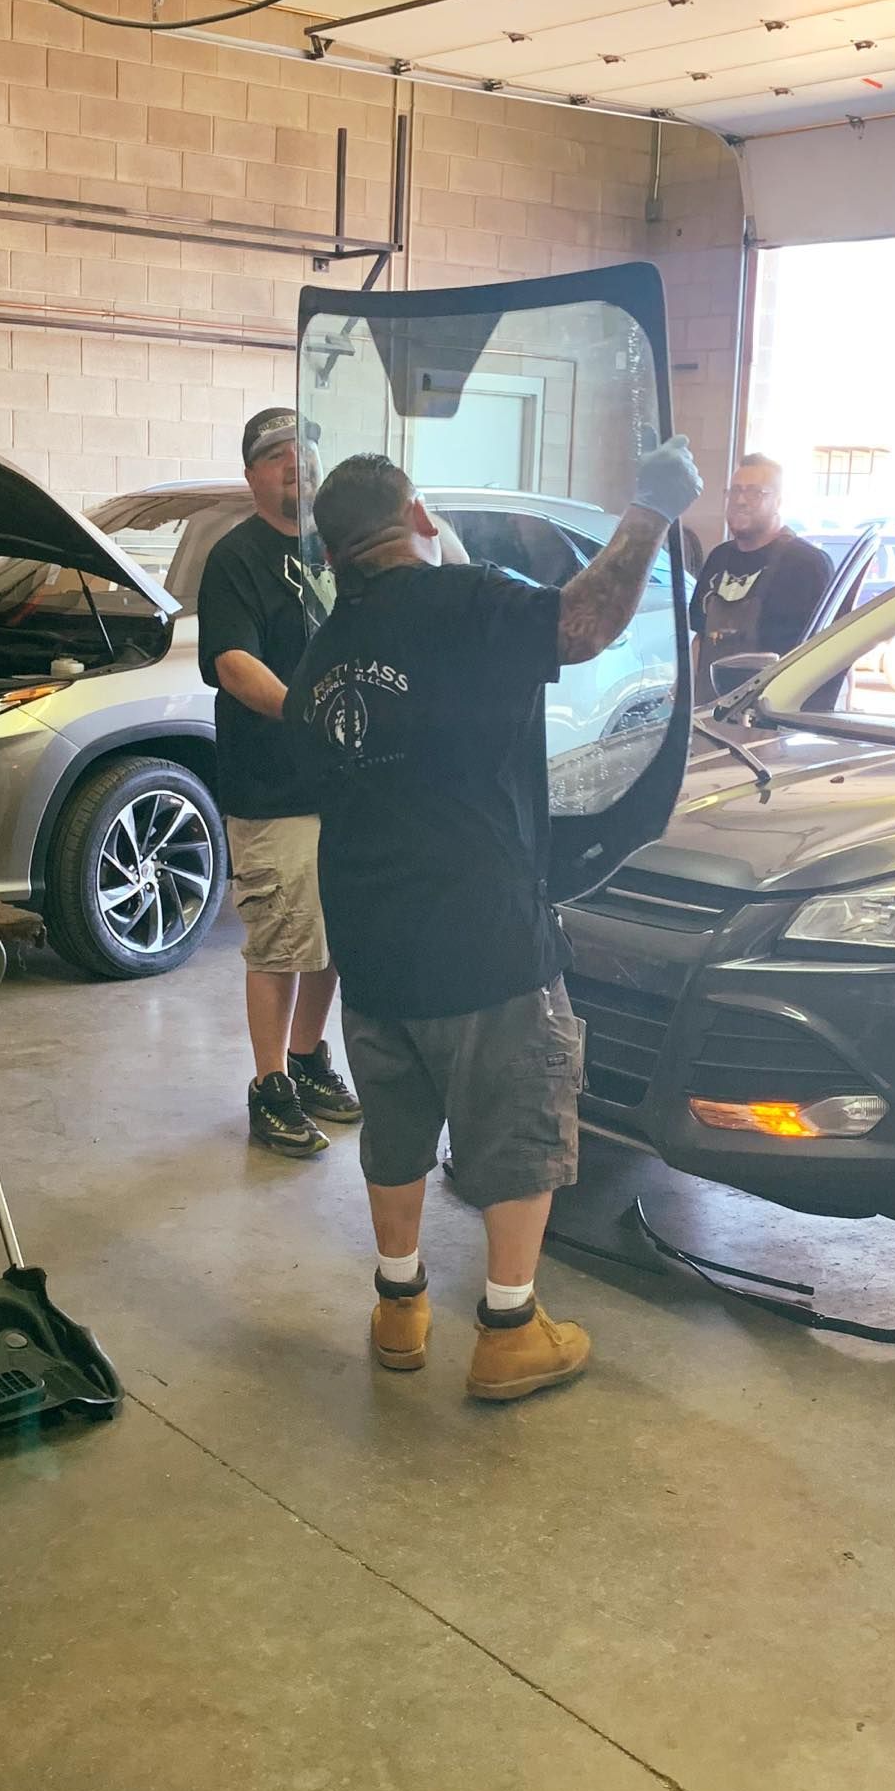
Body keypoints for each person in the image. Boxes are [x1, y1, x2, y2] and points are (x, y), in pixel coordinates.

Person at [285, 435, 703, 1402]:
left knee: (391, 1126)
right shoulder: (464, 603)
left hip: (369, 935)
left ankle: (400, 1307)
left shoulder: (327, 647)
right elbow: (589, 622)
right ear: (420, 518)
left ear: (334, 552)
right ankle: (510, 1329)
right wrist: (650, 508)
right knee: (518, 1125)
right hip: (480, 933)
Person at [197, 405, 361, 1156]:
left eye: (305, 449)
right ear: (252, 475)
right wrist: (307, 715)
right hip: (273, 786)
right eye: (275, 454)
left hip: (346, 783)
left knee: (329, 937)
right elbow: (234, 663)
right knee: (277, 941)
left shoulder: (343, 552)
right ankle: (269, 1087)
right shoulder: (236, 558)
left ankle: (307, 1056)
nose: (295, 462)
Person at [688, 452, 832, 701]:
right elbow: (700, 640)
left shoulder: (807, 565)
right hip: (712, 716)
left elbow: (831, 651)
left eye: (755, 492)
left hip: (772, 720)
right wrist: (687, 696)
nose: (741, 500)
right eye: (734, 491)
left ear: (778, 501)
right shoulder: (718, 558)